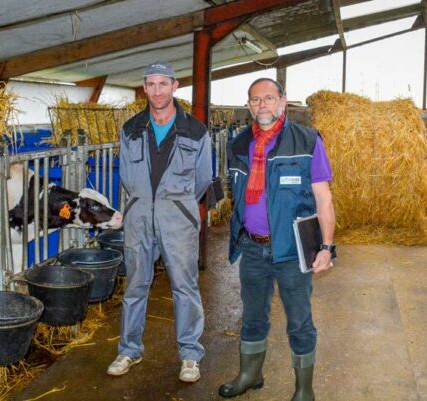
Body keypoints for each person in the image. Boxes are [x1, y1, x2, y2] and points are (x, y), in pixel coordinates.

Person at [219, 78, 335, 401]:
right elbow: (237, 197)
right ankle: (250, 374)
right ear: (248, 107)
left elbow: (323, 199)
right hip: (253, 248)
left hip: (292, 250)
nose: (262, 105)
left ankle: (304, 389)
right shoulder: (240, 144)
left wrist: (326, 247)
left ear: (283, 102)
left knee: (299, 320)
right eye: (255, 100)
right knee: (253, 316)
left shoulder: (307, 141)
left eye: (269, 98)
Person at [107, 62, 212, 383]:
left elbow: (203, 178)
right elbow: (126, 175)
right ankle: (129, 349)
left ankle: (190, 355)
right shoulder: (131, 128)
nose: (156, 91)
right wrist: (142, 202)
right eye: (150, 84)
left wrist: (176, 204)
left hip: (178, 220)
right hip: (139, 219)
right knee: (135, 287)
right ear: (144, 88)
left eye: (162, 84)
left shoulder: (195, 130)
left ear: (174, 86)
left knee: (185, 287)